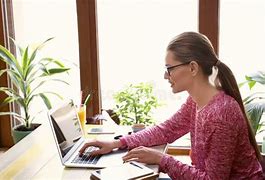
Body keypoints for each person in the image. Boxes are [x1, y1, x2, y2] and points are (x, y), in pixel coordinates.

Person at [79, 32, 263, 179]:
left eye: (169, 69)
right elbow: (167, 130)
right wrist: (116, 143)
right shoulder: (196, 101)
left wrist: (162, 160)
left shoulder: (221, 114)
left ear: (192, 68)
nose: (166, 76)